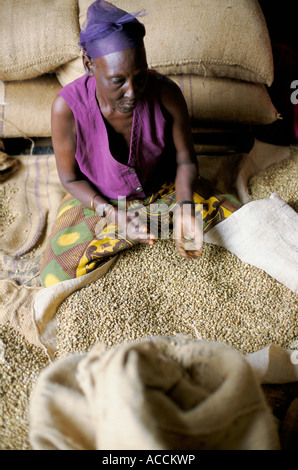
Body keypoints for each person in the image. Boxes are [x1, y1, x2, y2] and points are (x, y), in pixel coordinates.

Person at [40, 0, 240, 287]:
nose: (132, 92)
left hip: (165, 192)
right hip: (100, 201)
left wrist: (184, 207)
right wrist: (113, 214)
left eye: (140, 76)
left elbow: (185, 160)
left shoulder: (166, 93)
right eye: (117, 80)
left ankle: (153, 225)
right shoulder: (66, 109)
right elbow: (69, 179)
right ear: (89, 65)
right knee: (56, 270)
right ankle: (127, 230)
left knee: (234, 218)